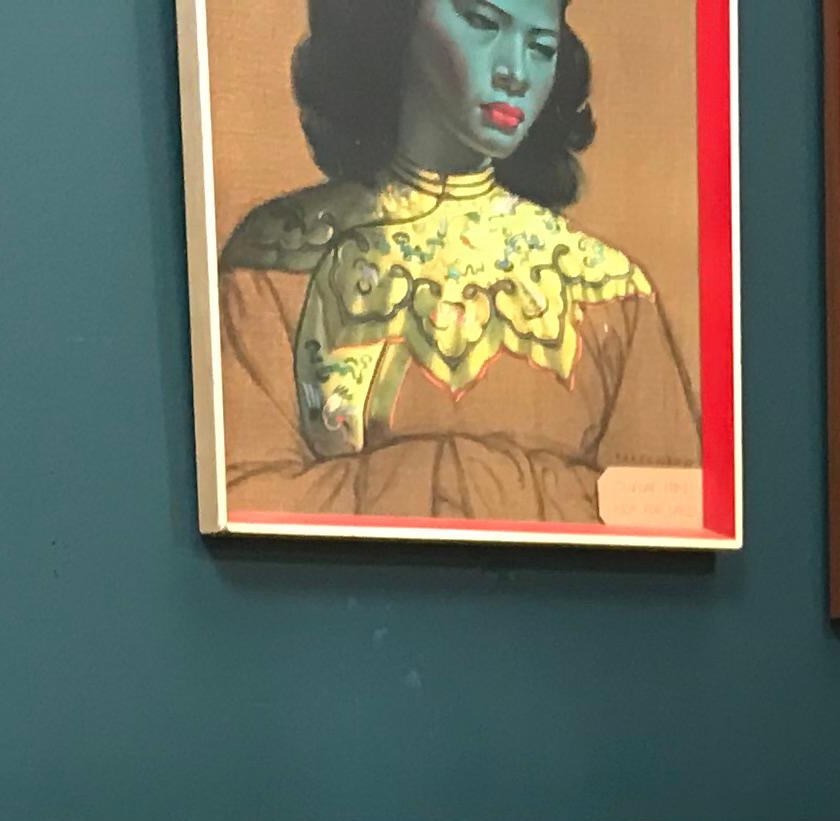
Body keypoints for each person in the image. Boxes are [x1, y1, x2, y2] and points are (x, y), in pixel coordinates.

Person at [217, 0, 704, 529]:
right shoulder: (276, 259)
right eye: (482, 24)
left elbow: (671, 516)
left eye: (541, 48)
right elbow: (244, 498)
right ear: (397, 24)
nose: (515, 73)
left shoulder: (609, 290)